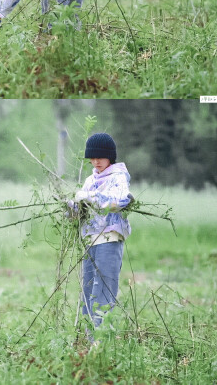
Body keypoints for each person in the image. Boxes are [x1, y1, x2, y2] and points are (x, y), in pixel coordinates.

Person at [67, 132, 134, 344]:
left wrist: (91, 198)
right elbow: (82, 212)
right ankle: (89, 339)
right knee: (87, 288)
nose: (96, 161)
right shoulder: (90, 179)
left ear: (110, 157)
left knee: (103, 288)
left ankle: (101, 341)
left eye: (100, 157)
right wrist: (73, 207)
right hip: (90, 240)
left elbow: (121, 200)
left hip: (109, 238)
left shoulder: (119, 177)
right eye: (92, 157)